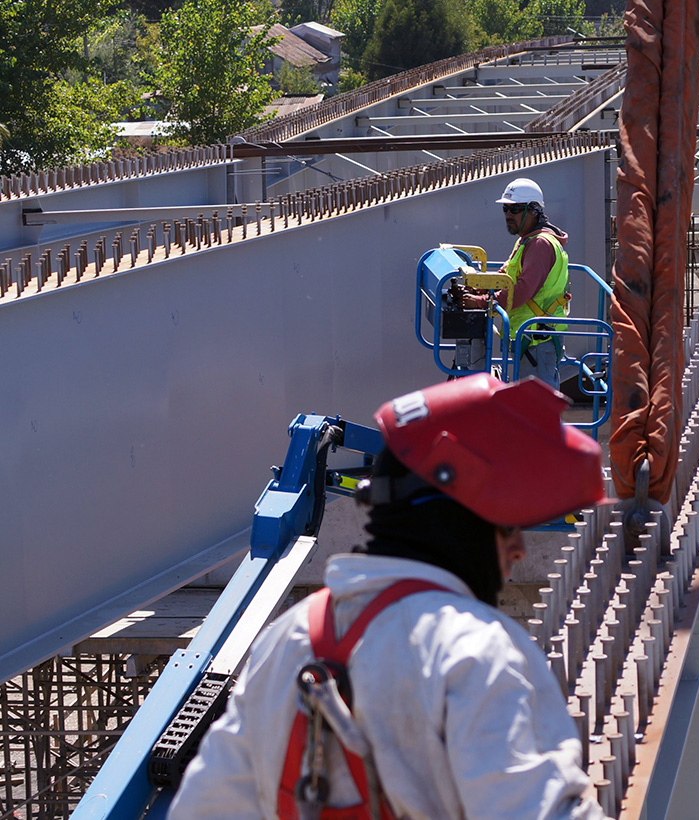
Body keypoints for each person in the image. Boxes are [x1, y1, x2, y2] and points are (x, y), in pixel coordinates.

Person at [169, 375, 608, 820]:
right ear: (460, 518)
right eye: (507, 525)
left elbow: (204, 808)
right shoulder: (477, 652)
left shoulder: (284, 642)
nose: (519, 549)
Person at [460, 178, 570, 388]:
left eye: (515, 209)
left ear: (534, 211)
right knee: (528, 407)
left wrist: (481, 302)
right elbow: (506, 274)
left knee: (536, 409)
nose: (508, 215)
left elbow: (520, 291)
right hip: (530, 338)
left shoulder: (540, 244)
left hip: (539, 338)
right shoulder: (526, 240)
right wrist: (479, 286)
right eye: (506, 209)